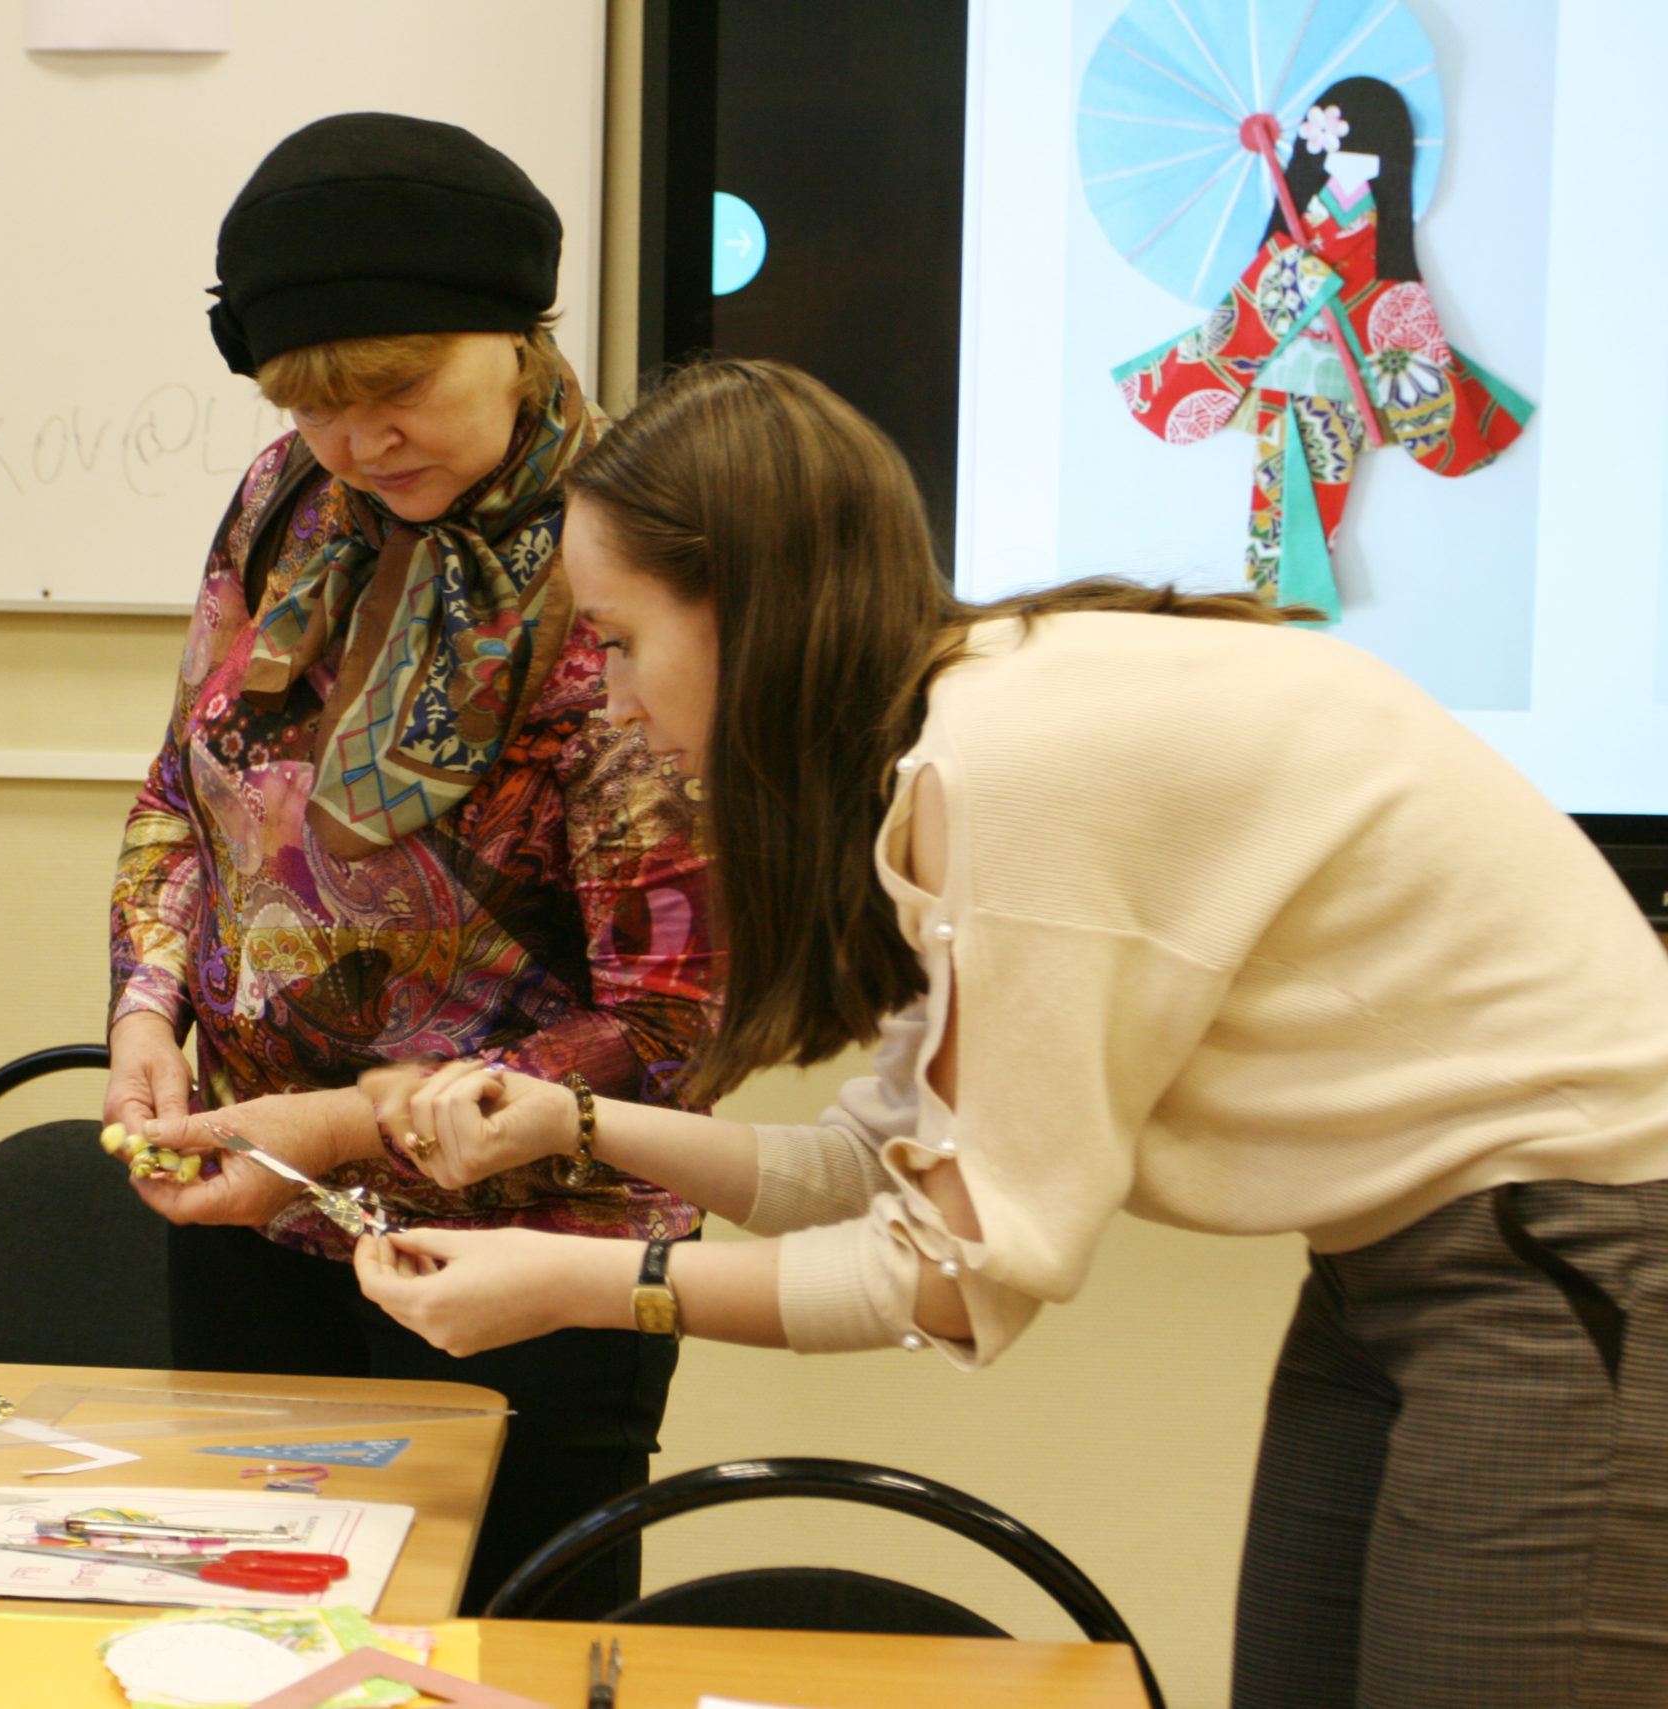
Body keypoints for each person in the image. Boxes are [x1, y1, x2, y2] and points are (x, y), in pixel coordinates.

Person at [353, 357, 1668, 1705]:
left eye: (621, 641)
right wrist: (574, 1124)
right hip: (1392, 1263)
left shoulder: (1007, 762)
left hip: (1564, 1246)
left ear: (746, 610)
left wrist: (580, 1282)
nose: (611, 700)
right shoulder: (964, 728)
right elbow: (872, 1168)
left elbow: (955, 1277)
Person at [105, 113, 719, 1616]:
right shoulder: (286, 501)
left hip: (530, 1246)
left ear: (517, 332)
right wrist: (145, 1009)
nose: (358, 444)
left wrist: (340, 1129)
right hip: (261, 1200)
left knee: (505, 1649)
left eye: (396, 391)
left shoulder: (637, 554)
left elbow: (671, 1023)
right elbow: (184, 787)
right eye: (312, 404)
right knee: (250, 1633)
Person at [1116, 75, 1532, 618]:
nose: (1355, 162)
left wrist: (1340, 284)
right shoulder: (1299, 214)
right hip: (1284, 355)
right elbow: (1270, 279)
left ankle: (1289, 600)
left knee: (1323, 475)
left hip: (1346, 366)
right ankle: (1281, 598)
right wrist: (1299, 268)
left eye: (1371, 151)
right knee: (1280, 477)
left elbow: (1394, 295)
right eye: (1347, 149)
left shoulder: (1381, 226)